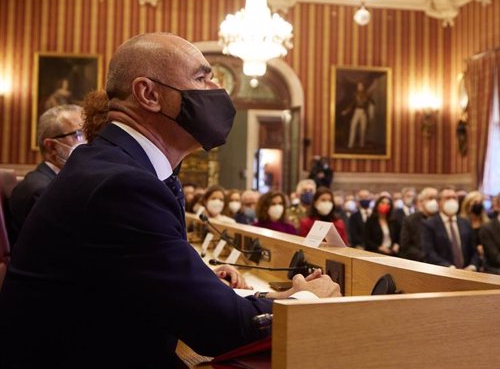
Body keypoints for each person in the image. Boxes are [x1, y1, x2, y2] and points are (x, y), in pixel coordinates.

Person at [0, 33, 340, 369]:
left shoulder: (115, 164)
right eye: (202, 77)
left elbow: (182, 297)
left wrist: (271, 298)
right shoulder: (122, 184)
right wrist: (307, 301)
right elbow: (221, 329)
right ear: (148, 94)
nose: (217, 90)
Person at [7, 104, 85, 247]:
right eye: (78, 135)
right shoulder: (41, 189)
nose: (87, 141)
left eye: (88, 133)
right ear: (51, 146)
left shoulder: (59, 181)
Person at [422, 187, 478, 270]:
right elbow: (429, 252)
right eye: (448, 198)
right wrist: (449, 267)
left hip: (467, 273)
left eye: (454, 198)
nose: (452, 201)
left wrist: (473, 265)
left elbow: (474, 250)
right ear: (439, 202)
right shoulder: (429, 224)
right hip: (443, 273)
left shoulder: (465, 222)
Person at [400, 187, 438, 262]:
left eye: (436, 198)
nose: (434, 201)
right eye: (430, 198)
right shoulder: (410, 220)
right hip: (419, 262)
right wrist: (426, 256)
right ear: (421, 201)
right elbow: (406, 246)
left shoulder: (442, 219)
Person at [342, 81, 374, 149]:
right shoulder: (355, 95)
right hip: (357, 111)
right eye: (358, 86)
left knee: (363, 129)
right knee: (353, 126)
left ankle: (361, 145)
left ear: (363, 87)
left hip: (363, 113)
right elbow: (352, 104)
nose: (359, 87)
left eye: (361, 86)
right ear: (357, 87)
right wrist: (346, 111)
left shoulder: (366, 95)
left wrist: (369, 110)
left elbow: (371, 103)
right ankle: (350, 144)